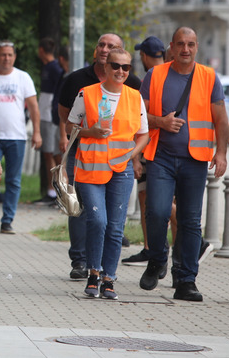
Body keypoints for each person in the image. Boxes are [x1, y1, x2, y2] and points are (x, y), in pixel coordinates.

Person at [139, 27, 229, 302]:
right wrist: (161, 122)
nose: (185, 49)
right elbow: (139, 116)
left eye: (190, 44)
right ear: (171, 47)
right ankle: (157, 259)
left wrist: (222, 153)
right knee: (156, 212)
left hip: (196, 159)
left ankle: (186, 280)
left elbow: (221, 119)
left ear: (197, 46)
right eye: (180, 44)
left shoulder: (209, 77)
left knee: (190, 222)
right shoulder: (155, 75)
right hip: (161, 157)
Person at [56, 33, 141, 280]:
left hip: (118, 165)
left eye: (111, 46)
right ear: (100, 57)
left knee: (111, 224)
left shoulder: (132, 86)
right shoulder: (79, 83)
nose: (105, 49)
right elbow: (66, 117)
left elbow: (138, 128)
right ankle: (81, 260)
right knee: (86, 211)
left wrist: (133, 157)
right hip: (85, 158)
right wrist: (84, 134)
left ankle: (106, 273)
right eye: (102, 45)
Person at [0, 41, 41, 234]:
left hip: (16, 136)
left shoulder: (23, 77)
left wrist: (37, 132)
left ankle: (7, 220)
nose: (6, 58)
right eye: (3, 55)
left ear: (14, 57)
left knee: (13, 180)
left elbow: (33, 106)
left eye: (10, 55)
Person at [122, 35, 169, 267]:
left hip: (153, 151)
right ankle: (155, 249)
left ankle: (157, 249)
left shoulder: (152, 78)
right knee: (150, 199)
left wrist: (137, 157)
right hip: (166, 150)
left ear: (143, 56)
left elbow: (140, 120)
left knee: (152, 202)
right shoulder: (170, 75)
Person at [36, 37, 64, 205]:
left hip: (50, 115)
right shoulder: (47, 67)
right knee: (48, 153)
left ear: (41, 50)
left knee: (53, 154)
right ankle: (51, 190)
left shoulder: (55, 69)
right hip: (44, 113)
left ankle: (57, 190)